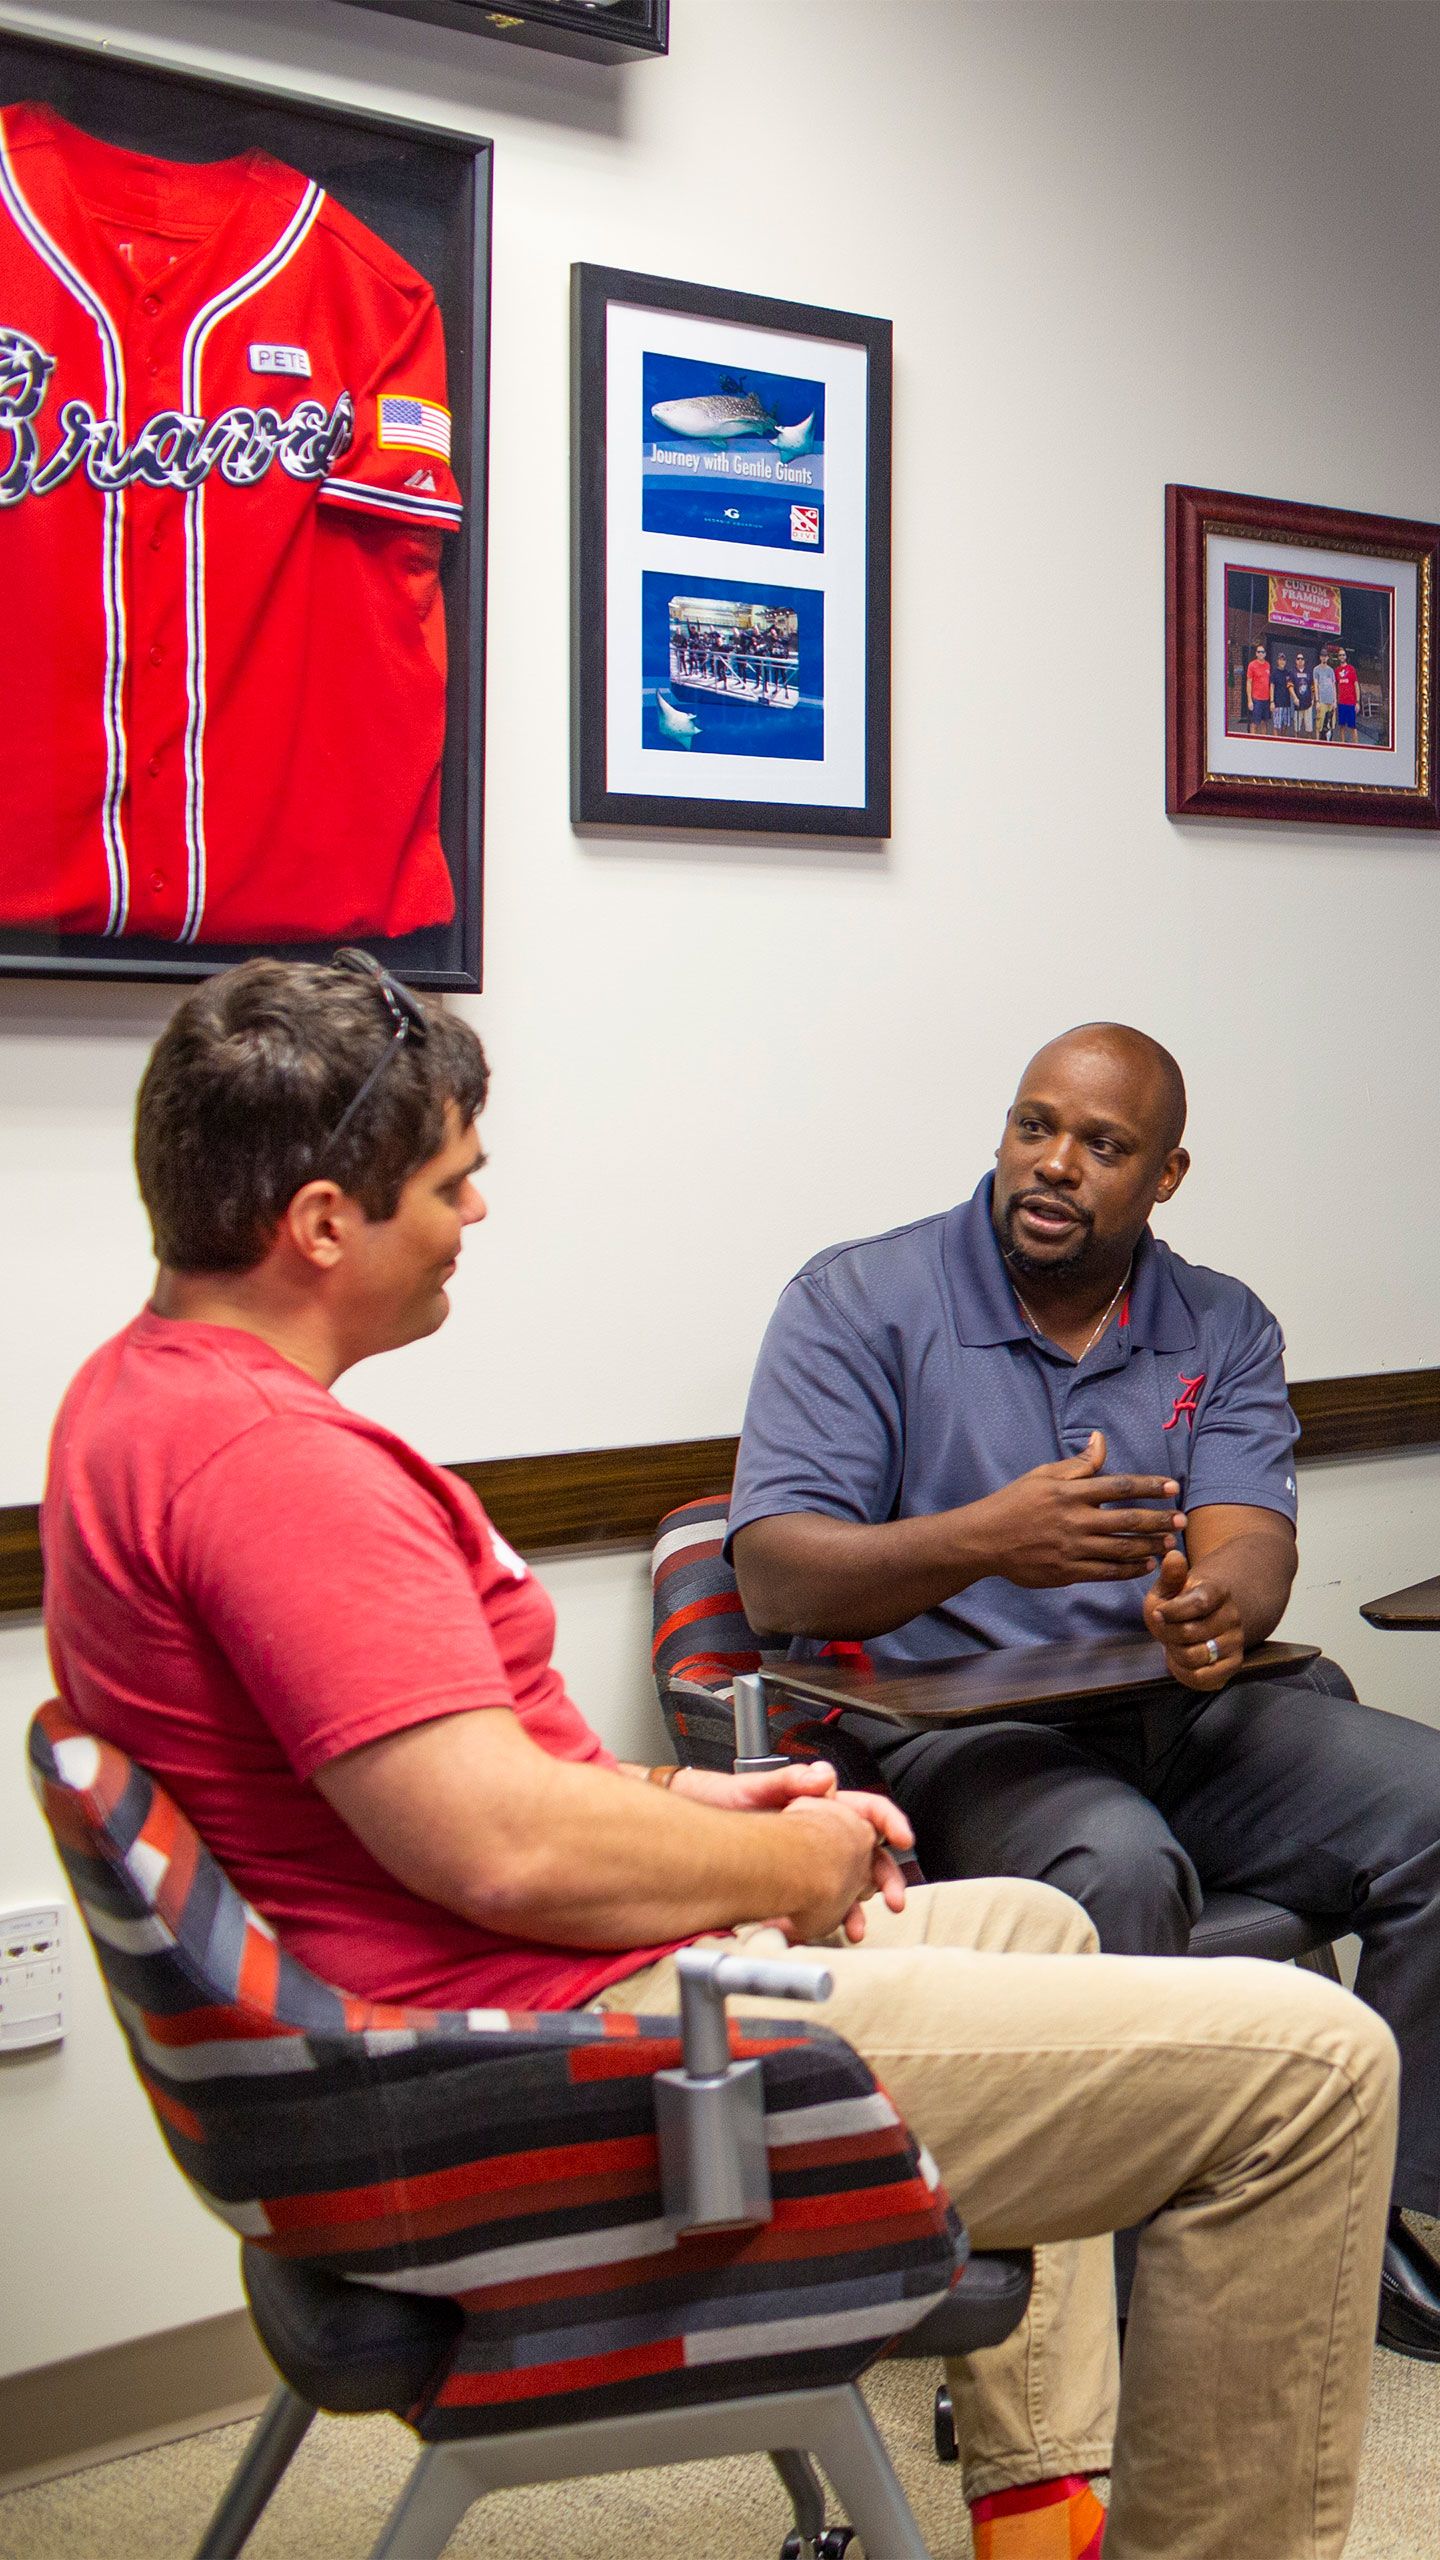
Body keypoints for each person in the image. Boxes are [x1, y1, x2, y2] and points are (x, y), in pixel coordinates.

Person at [41, 961, 1397, 2560]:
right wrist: (787, 1862)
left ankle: (1037, 2488)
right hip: (544, 2059)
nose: (477, 1213)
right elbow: (503, 1851)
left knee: (1047, 1920)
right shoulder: (281, 1473)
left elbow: (439, 1780)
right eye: (452, 1182)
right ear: (326, 1223)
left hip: (499, 1995)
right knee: (1317, 2069)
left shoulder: (140, 1403)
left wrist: (678, 1799)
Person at [730, 1019, 1440, 2362]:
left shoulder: (1219, 1320)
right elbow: (776, 1580)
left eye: (1101, 1146)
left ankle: (1369, 2227)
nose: (1053, 1166)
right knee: (1112, 1868)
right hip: (961, 1737)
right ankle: (1095, 2314)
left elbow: (1254, 1539)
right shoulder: (858, 1301)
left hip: (1189, 1715)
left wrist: (1217, 1604)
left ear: (1165, 1177)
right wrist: (988, 1539)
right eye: (1032, 1126)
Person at [1243, 641, 1272, 732]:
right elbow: (1249, 682)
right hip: (1256, 700)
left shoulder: (1268, 665)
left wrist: (1271, 700)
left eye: (1262, 652)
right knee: (1255, 723)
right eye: (1258, 652)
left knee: (1264, 722)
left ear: (1265, 654)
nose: (1260, 653)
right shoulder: (1252, 665)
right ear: (1256, 653)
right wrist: (1249, 700)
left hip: (1266, 699)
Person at [1335, 645, 1360, 741]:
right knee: (1341, 727)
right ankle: (1343, 744)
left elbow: (1356, 685)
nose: (1342, 656)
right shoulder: (1336, 671)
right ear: (1338, 657)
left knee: (1353, 727)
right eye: (1340, 655)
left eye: (1343, 655)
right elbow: (1335, 686)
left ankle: (1356, 746)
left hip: (1351, 702)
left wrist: (1357, 702)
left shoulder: (1351, 669)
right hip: (1341, 703)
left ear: (1346, 656)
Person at [1313, 648, 1338, 742]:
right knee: (1319, 723)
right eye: (1322, 656)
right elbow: (1316, 685)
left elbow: (1333, 685)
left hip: (1330, 701)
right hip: (1322, 700)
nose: (1324, 658)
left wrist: (1335, 700)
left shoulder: (1331, 670)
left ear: (1327, 658)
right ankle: (1317, 741)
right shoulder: (1316, 669)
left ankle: (1329, 741)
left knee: (1331, 724)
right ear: (1320, 657)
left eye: (1325, 656)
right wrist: (1317, 701)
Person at [1291, 650, 1314, 734]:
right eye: (1298, 659)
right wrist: (1294, 698)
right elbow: (1290, 686)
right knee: (1297, 727)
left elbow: (1312, 686)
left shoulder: (1309, 672)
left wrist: (1313, 698)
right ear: (1296, 661)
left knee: (1309, 728)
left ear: (1304, 661)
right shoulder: (1292, 672)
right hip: (1298, 704)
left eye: (1302, 659)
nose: (1300, 660)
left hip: (1308, 703)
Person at [1271, 649, 1293, 733]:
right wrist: (1272, 701)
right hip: (1277, 704)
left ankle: (1282, 739)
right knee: (1276, 726)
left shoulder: (1288, 673)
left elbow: (1291, 685)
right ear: (1277, 661)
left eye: (1283, 660)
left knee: (1286, 724)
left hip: (1287, 703)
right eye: (1280, 659)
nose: (1282, 661)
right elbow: (1272, 687)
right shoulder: (1274, 673)